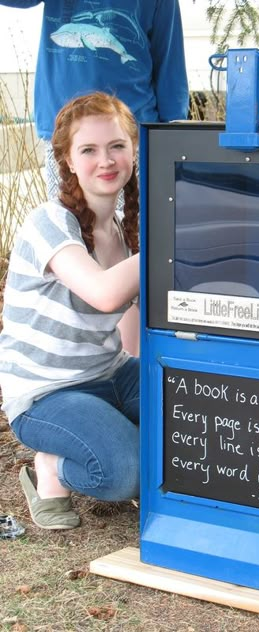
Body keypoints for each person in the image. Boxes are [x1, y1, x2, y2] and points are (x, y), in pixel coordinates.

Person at [0, 92, 140, 530]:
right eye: (89, 150)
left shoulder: (127, 231)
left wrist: (155, 392)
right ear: (67, 160)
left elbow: (130, 334)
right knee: (128, 472)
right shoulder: (49, 221)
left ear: (134, 150)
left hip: (110, 375)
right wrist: (169, 243)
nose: (106, 160)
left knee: (190, 418)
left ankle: (117, 439)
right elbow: (103, 294)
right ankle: (51, 468)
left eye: (117, 146)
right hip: (47, 394)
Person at [0, 0, 189, 197]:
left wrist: (173, 133)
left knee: (131, 223)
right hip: (63, 131)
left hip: (131, 134)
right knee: (66, 222)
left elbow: (170, 65)